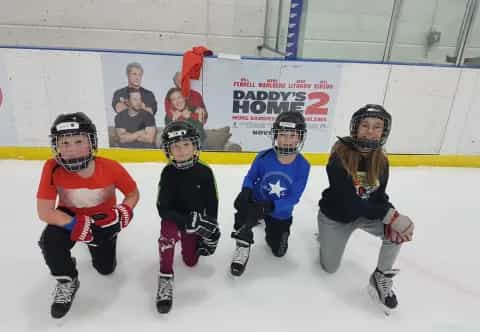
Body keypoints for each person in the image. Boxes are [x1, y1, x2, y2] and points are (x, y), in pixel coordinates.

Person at [36, 112, 139, 319]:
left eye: (78, 141)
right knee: (50, 241)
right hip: (69, 216)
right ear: (56, 146)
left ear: (92, 142)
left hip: (104, 219)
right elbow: (45, 211)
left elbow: (132, 194)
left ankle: (95, 242)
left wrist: (123, 212)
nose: (71, 148)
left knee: (106, 269)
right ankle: (67, 279)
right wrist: (77, 226)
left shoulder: (111, 167)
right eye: (64, 142)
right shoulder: (52, 167)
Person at [317, 104, 414, 314]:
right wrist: (390, 215)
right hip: (337, 217)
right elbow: (350, 203)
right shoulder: (338, 158)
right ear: (355, 128)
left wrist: (394, 216)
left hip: (366, 214)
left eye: (377, 126)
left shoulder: (382, 160)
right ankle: (323, 237)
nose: (371, 131)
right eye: (365, 125)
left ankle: (381, 276)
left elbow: (378, 197)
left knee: (395, 231)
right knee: (330, 268)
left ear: (384, 131)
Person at [230, 111, 310, 276]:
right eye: (282, 135)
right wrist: (246, 190)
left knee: (279, 252)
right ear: (275, 135)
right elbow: (251, 177)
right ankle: (242, 243)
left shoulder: (303, 165)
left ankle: (276, 229)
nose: (286, 140)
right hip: (257, 201)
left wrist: (271, 206)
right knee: (242, 213)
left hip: (279, 211)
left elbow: (294, 197)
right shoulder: (263, 157)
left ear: (300, 138)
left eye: (292, 136)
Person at [155, 121, 220, 314]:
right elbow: (162, 208)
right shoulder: (167, 173)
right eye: (175, 146)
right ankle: (165, 275)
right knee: (167, 232)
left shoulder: (205, 171)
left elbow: (212, 202)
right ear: (168, 150)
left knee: (191, 262)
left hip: (195, 223)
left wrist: (210, 228)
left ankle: (192, 242)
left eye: (186, 145)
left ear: (195, 146)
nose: (181, 150)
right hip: (175, 220)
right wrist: (184, 222)